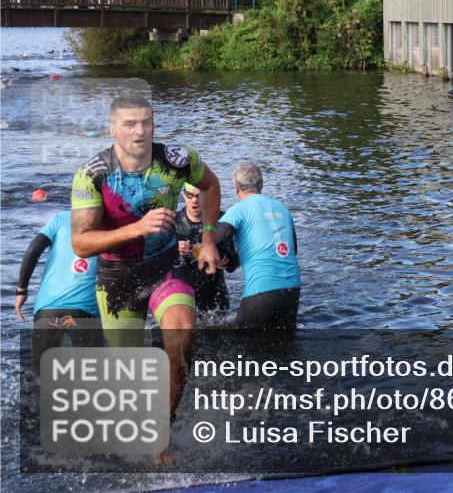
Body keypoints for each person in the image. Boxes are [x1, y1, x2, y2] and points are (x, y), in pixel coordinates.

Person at [71, 93, 222, 466]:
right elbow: (81, 243)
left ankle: (163, 428)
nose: (140, 131)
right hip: (117, 280)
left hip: (164, 269)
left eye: (147, 122)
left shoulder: (177, 159)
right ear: (112, 129)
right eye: (130, 124)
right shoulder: (94, 173)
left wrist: (207, 239)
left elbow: (212, 186)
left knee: (183, 333)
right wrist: (136, 228)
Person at [14, 210, 103, 373]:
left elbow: (33, 250)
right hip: (85, 311)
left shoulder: (61, 218)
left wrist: (21, 290)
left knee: (38, 376)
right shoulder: (112, 226)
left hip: (47, 309)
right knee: (92, 378)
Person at [216, 162, 301, 329]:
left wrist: (226, 262)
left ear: (236, 187)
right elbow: (293, 250)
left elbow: (215, 239)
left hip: (261, 289)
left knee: (243, 347)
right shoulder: (282, 208)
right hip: (293, 288)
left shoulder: (237, 210)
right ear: (261, 185)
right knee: (285, 348)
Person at [175, 182, 237, 312]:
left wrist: (223, 260)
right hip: (185, 296)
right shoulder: (176, 223)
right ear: (184, 196)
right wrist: (174, 250)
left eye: (198, 196)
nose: (194, 200)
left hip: (217, 295)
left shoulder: (222, 220)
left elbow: (234, 264)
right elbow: (159, 264)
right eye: (190, 195)